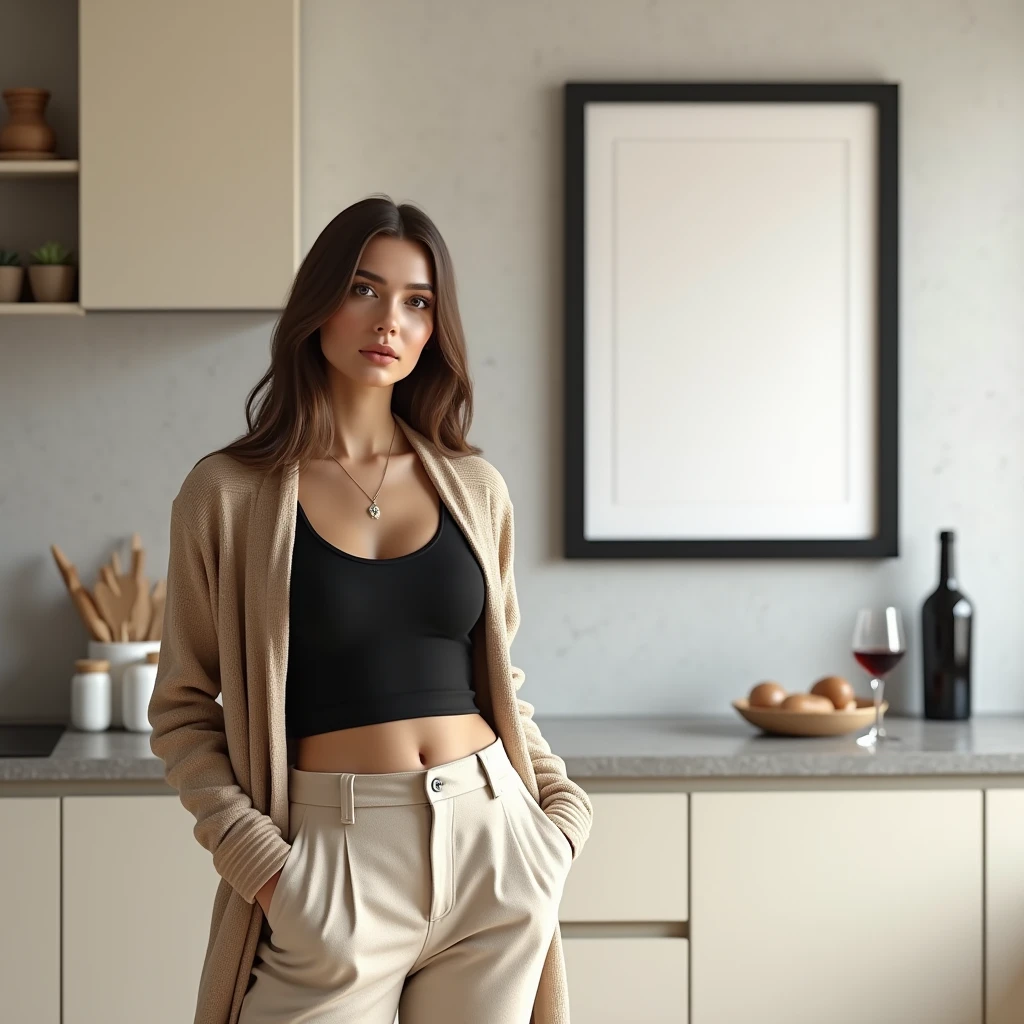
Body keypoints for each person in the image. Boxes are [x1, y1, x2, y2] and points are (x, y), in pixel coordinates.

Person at [148, 194, 594, 1024]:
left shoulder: (475, 488)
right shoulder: (227, 495)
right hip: (331, 866)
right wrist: (273, 877)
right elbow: (180, 712)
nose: (389, 319)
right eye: (363, 288)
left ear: (434, 328)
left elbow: (503, 681)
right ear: (317, 302)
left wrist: (560, 821)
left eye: (417, 301)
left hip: (494, 845)